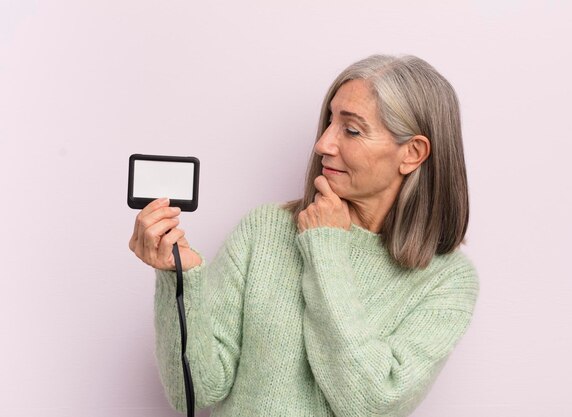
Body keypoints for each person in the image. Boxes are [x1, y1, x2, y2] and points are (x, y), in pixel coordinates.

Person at [128, 54, 480, 417]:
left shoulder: (447, 281)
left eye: (352, 130)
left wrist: (325, 249)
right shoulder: (264, 229)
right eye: (329, 122)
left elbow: (370, 402)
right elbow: (198, 389)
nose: (324, 144)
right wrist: (178, 278)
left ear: (413, 153)